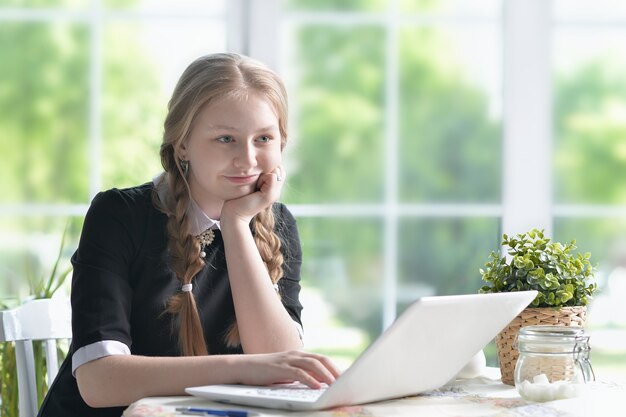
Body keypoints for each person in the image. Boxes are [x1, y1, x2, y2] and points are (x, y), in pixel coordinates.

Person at [38, 53, 340, 417]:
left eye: (263, 138)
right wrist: (241, 370)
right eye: (225, 138)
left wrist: (235, 226)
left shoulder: (278, 223)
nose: (247, 159)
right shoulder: (119, 216)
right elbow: (98, 381)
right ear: (182, 144)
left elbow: (281, 366)